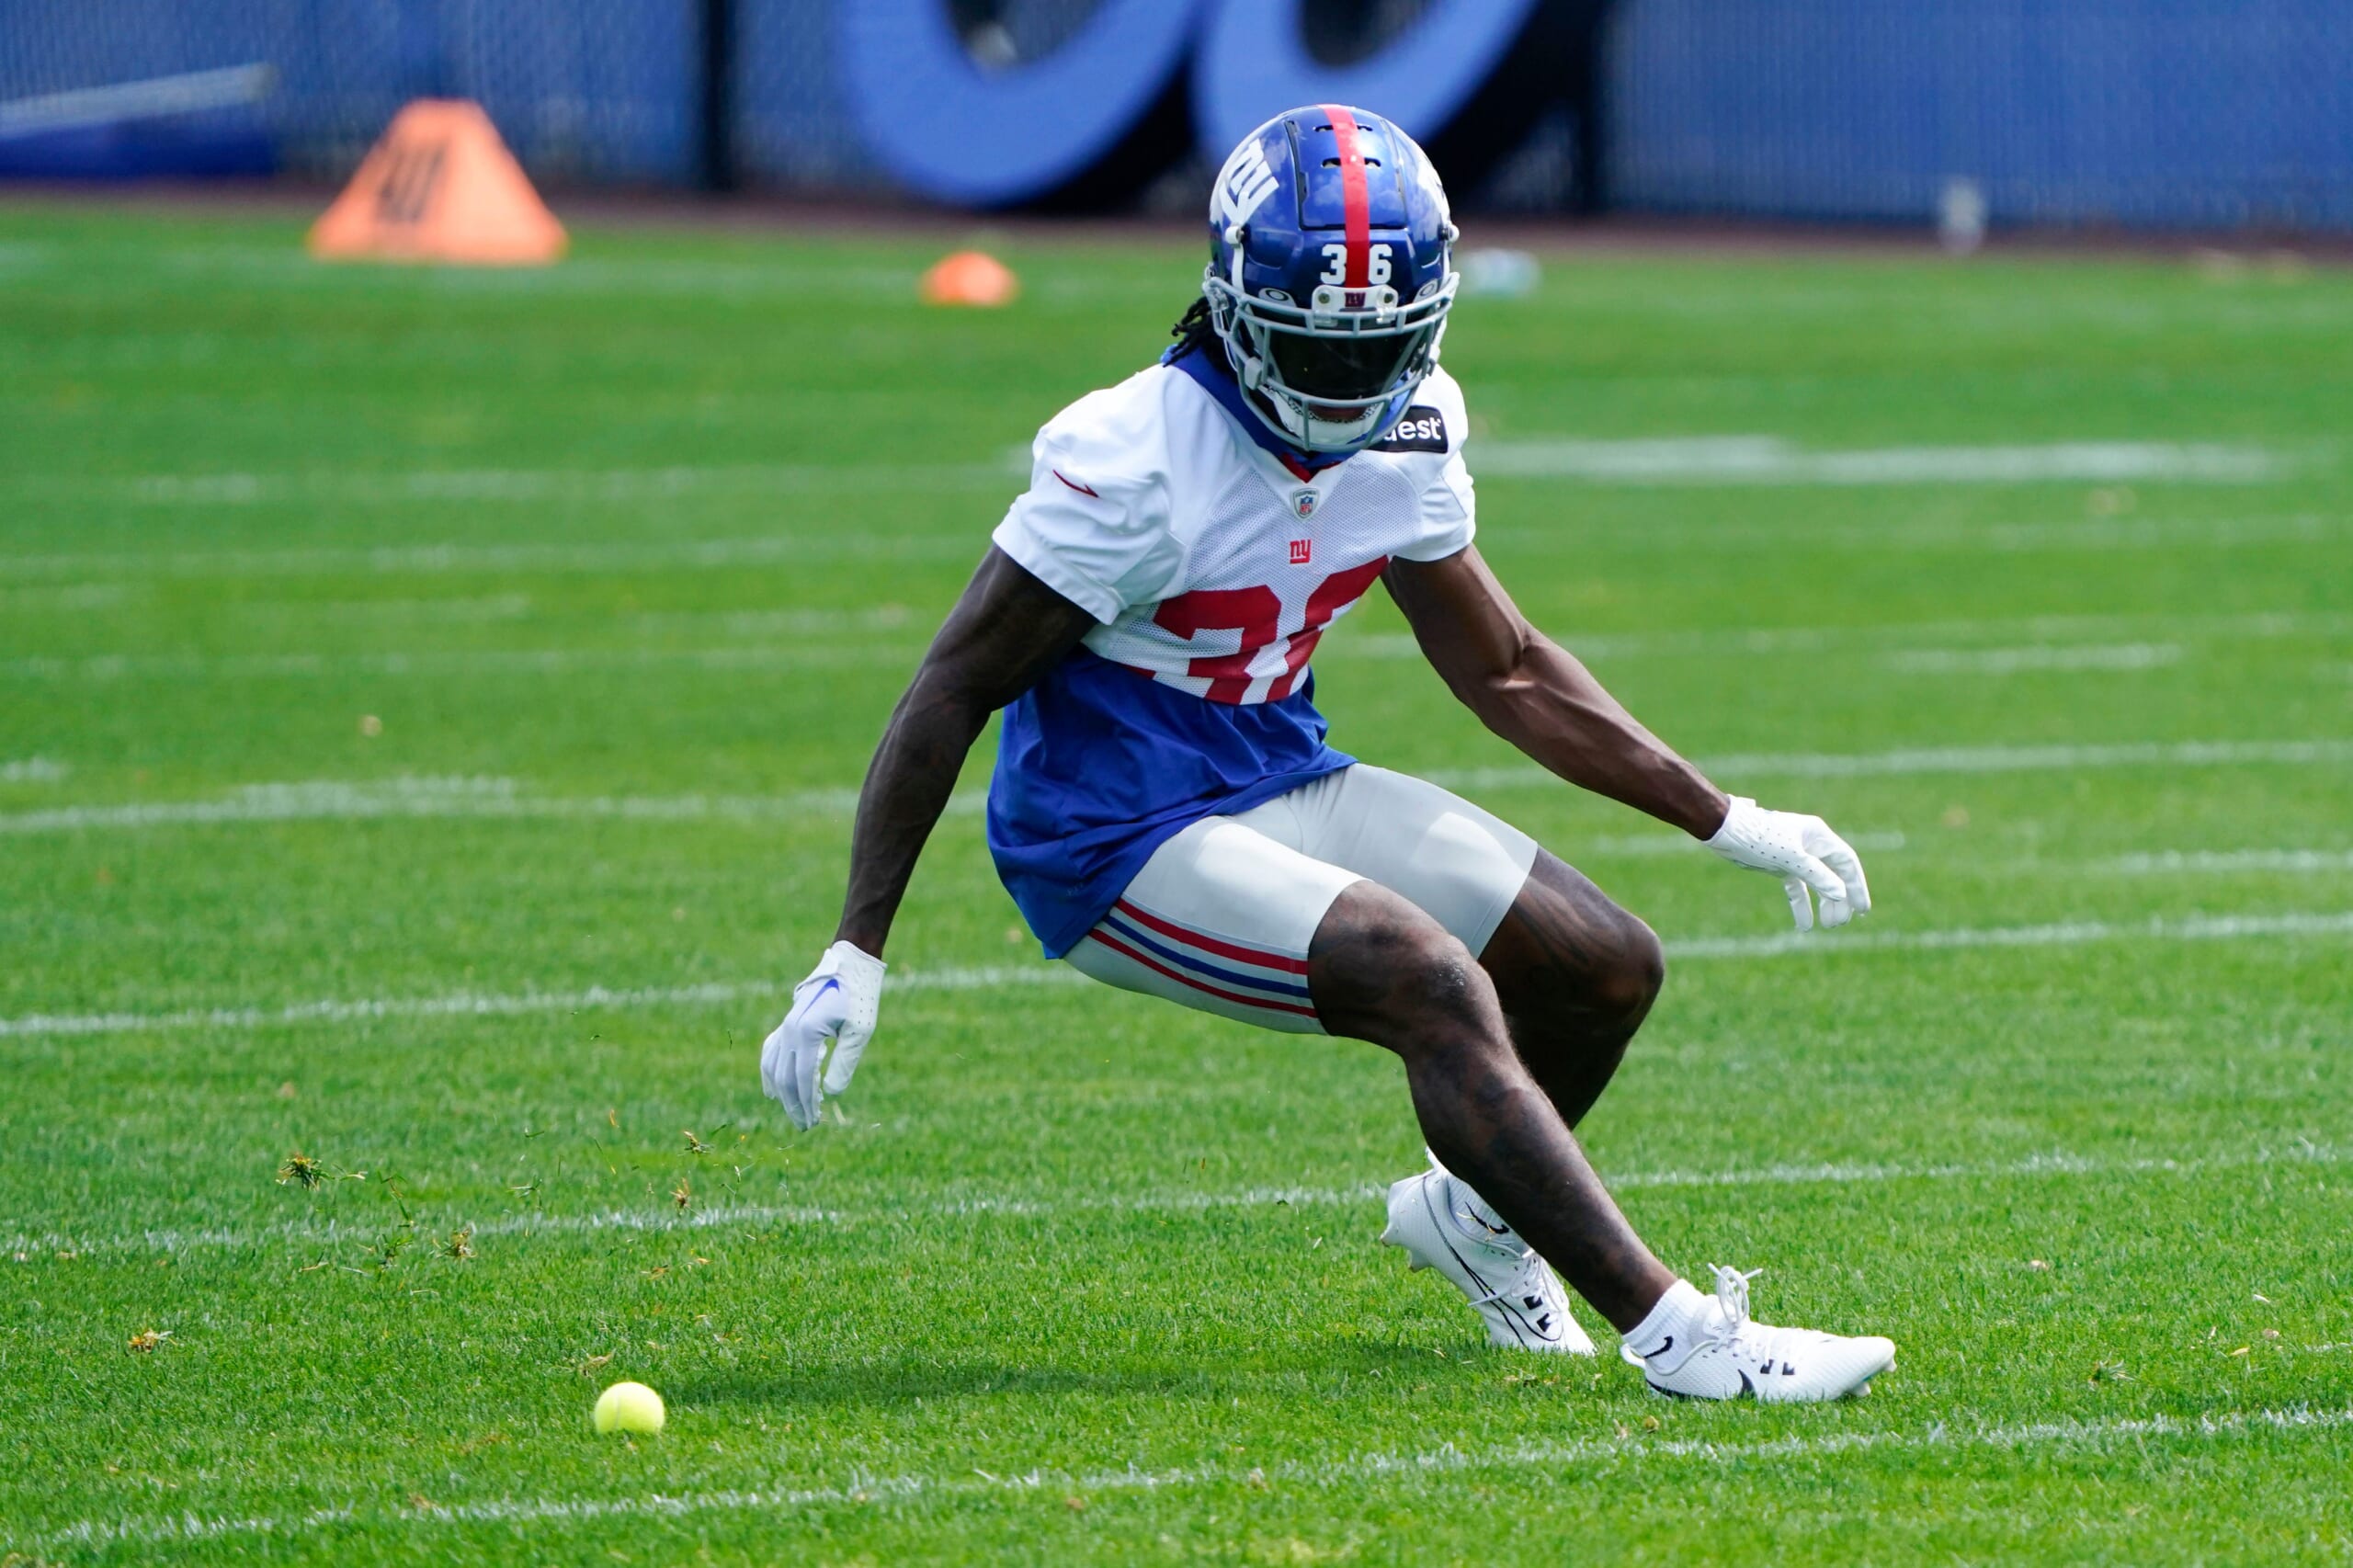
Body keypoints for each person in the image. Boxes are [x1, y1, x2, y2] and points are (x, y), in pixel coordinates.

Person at [762, 105, 1893, 1402]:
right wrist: (856, 945)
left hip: (1272, 770)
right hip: (1112, 833)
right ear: (1236, 305)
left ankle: (1474, 1224)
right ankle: (1686, 1339)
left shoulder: (1415, 429)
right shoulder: (1133, 457)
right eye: (1313, 348)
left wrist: (1725, 817)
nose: (1348, 391)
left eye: (1377, 353)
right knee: (1427, 976)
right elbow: (952, 685)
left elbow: (1506, 666)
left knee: (1602, 964)